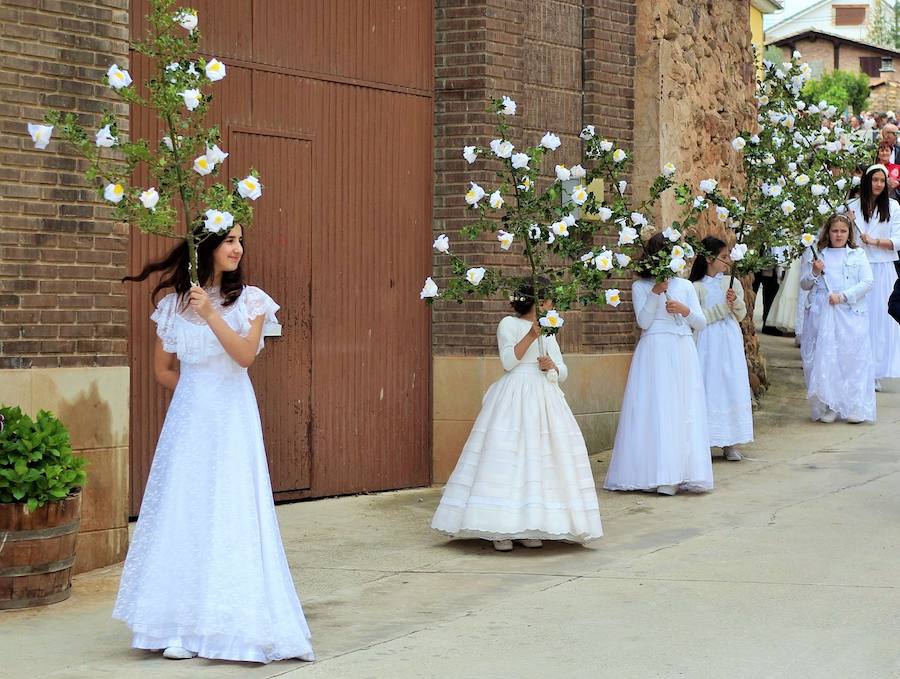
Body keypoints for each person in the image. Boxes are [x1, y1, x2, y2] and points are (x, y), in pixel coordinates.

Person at [113, 225, 315, 663]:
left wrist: (210, 314)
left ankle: (226, 624)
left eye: (240, 240)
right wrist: (194, 394)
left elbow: (244, 356)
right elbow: (163, 370)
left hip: (232, 418)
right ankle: (177, 625)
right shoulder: (173, 305)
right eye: (228, 240)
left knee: (229, 506)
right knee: (184, 508)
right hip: (189, 421)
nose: (237, 248)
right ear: (205, 247)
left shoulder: (252, 301)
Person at [431, 279, 603, 551]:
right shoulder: (508, 324)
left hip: (544, 396)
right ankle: (499, 529)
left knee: (539, 458)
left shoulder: (549, 329)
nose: (552, 305)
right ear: (538, 301)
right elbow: (509, 362)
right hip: (514, 395)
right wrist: (531, 336)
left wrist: (552, 366)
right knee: (506, 455)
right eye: (549, 300)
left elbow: (563, 370)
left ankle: (529, 525)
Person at [604, 233, 713, 496]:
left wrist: (684, 310)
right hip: (654, 350)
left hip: (681, 348)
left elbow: (700, 322)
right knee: (655, 407)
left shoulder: (685, 286)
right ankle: (654, 472)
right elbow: (643, 322)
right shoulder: (640, 286)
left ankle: (678, 473)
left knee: (680, 407)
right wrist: (655, 294)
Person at [800, 214, 875, 423]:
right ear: (828, 232)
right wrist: (814, 271)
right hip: (822, 314)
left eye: (843, 231)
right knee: (826, 358)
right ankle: (830, 404)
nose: (839, 235)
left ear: (849, 233)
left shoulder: (857, 254)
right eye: (835, 231)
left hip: (849, 314)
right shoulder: (819, 254)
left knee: (850, 359)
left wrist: (843, 296)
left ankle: (854, 406)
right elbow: (805, 284)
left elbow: (868, 282)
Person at [689, 237, 754, 461]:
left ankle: (730, 441)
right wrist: (721, 309)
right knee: (709, 384)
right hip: (707, 341)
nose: (728, 261)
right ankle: (704, 440)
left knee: (730, 384)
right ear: (709, 258)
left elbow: (741, 314)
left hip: (729, 340)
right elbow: (696, 318)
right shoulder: (696, 287)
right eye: (723, 257)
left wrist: (735, 302)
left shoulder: (731, 283)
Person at [848, 164, 900, 389]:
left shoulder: (894, 207)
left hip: (882, 268)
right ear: (867, 181)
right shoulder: (852, 206)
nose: (878, 184)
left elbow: (898, 240)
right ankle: (856, 367)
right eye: (874, 180)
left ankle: (875, 371)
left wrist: (875, 241)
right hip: (858, 267)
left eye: (882, 180)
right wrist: (849, 223)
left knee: (879, 320)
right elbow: (841, 236)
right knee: (857, 317)